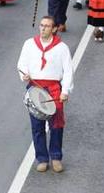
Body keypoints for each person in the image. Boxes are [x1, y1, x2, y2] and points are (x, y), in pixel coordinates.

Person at [17, 15, 73, 173]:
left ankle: (55, 157)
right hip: (35, 88)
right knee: (37, 125)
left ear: (54, 29)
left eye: (47, 26)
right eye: (41, 25)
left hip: (54, 89)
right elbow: (21, 63)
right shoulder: (29, 44)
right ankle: (42, 158)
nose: (43, 28)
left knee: (56, 125)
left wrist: (65, 91)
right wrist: (24, 74)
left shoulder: (62, 48)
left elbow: (68, 71)